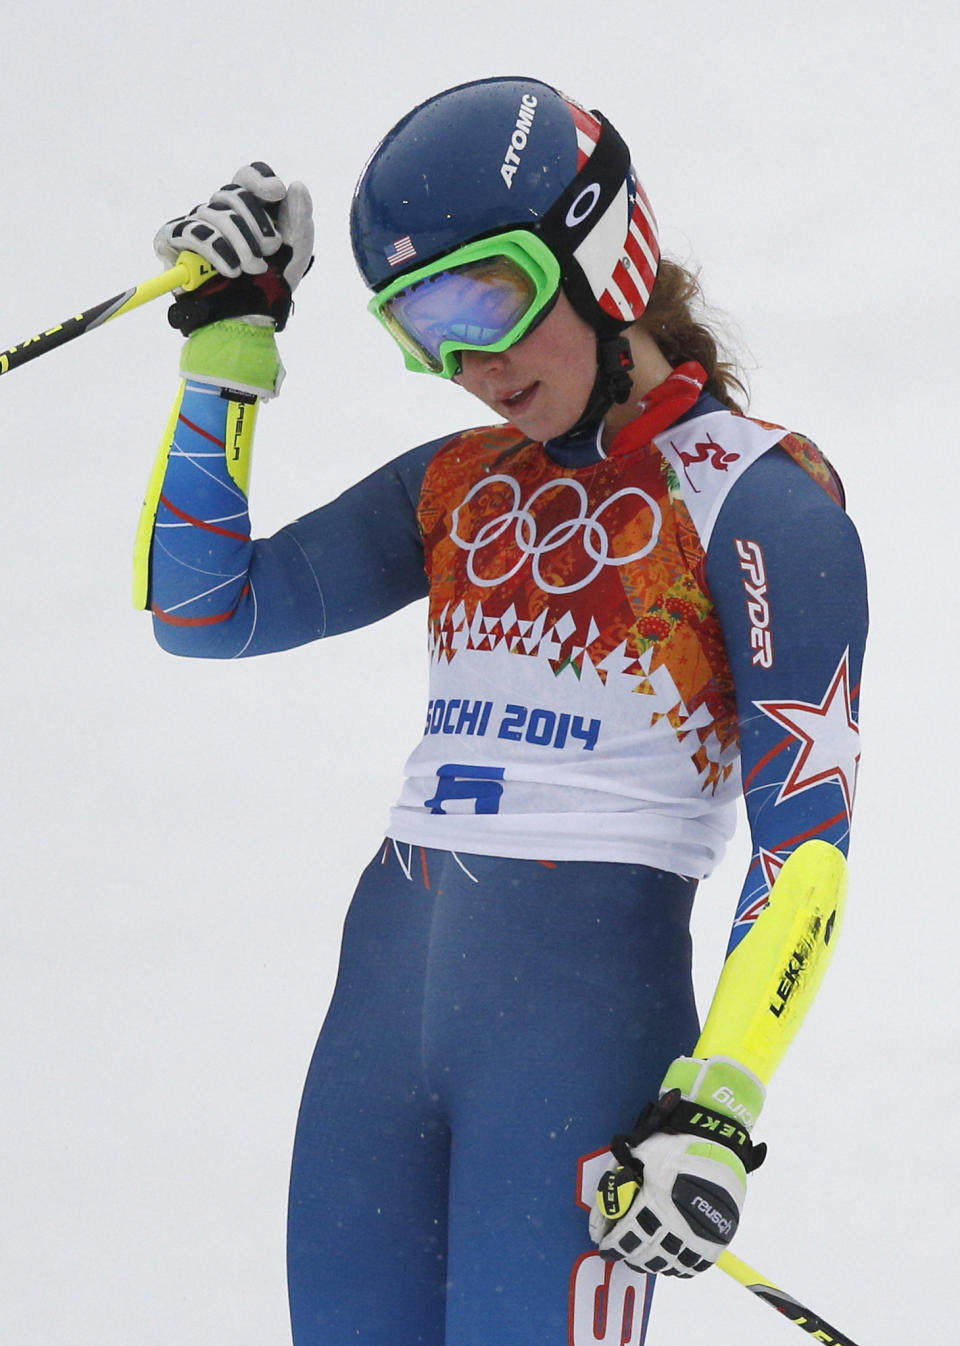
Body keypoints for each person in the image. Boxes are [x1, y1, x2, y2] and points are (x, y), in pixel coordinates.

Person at [137, 77, 868, 1346]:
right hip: (379, 1024)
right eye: (422, 325)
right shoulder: (458, 483)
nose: (468, 366)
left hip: (578, 1038)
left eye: (485, 300)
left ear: (597, 255)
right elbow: (207, 608)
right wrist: (227, 348)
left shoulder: (763, 504)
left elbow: (804, 846)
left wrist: (720, 1098)